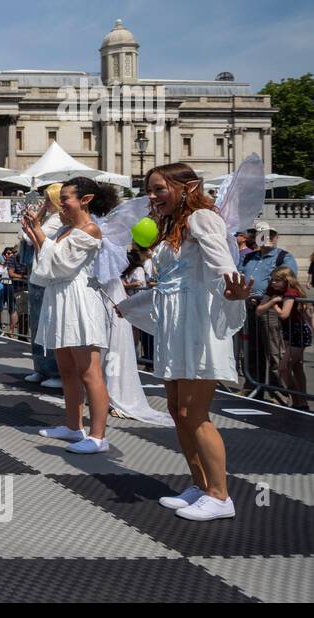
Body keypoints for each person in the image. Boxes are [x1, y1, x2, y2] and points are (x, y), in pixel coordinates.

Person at [118, 163, 253, 521]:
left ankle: (221, 496)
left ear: (188, 187)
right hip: (176, 325)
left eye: (159, 189)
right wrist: (131, 305)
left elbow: (222, 262)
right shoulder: (171, 227)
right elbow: (170, 284)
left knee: (194, 412)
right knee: (179, 412)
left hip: (197, 326)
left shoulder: (202, 220)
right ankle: (200, 485)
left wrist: (233, 286)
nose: (152, 196)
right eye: (149, 189)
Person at [24, 177, 118, 454]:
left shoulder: (90, 229)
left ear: (85, 200)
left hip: (79, 300)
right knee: (66, 368)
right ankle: (73, 425)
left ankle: (98, 435)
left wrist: (40, 234)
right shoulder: (65, 228)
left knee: (89, 371)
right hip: (60, 296)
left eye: (65, 198)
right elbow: (48, 261)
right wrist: (35, 234)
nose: (60, 203)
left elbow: (63, 264)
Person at [239, 226, 298, 401]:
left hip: (270, 307)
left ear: (276, 237)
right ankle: (251, 386)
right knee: (251, 350)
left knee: (274, 351)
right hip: (249, 306)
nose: (266, 239)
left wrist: (266, 298)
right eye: (261, 236)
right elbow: (239, 275)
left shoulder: (283, 257)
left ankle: (278, 392)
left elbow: (288, 279)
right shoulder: (249, 257)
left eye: (270, 235)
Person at [21, 185, 63, 386]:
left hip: (46, 277)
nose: (44, 203)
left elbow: (31, 239)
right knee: (37, 326)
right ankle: (41, 368)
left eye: (48, 199)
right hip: (37, 276)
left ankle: (54, 371)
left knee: (48, 327)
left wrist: (36, 219)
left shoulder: (57, 221)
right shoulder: (49, 218)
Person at [255, 267, 311, 411]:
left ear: (286, 281)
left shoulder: (290, 292)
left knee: (283, 368)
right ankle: (301, 402)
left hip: (298, 332)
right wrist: (272, 301)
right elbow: (259, 310)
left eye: (277, 280)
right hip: (288, 332)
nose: (273, 283)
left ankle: (298, 399)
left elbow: (284, 314)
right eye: (272, 279)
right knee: (296, 367)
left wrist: (274, 305)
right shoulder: (273, 290)